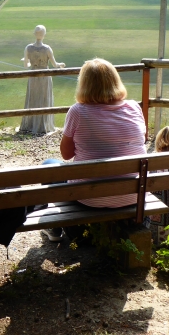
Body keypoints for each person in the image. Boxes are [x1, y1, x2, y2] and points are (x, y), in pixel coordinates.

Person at [45, 58, 147, 242]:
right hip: (133, 194)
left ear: (84, 84)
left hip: (90, 198)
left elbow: (66, 154)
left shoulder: (78, 111)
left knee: (48, 165)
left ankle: (56, 228)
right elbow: (141, 141)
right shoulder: (134, 107)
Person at [19, 25, 65, 134]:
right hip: (45, 76)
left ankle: (30, 125)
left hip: (33, 75)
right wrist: (61, 64)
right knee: (44, 99)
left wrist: (28, 62)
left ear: (34, 34)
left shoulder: (28, 48)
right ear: (44, 34)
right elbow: (55, 64)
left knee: (33, 98)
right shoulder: (47, 49)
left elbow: (26, 65)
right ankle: (43, 126)